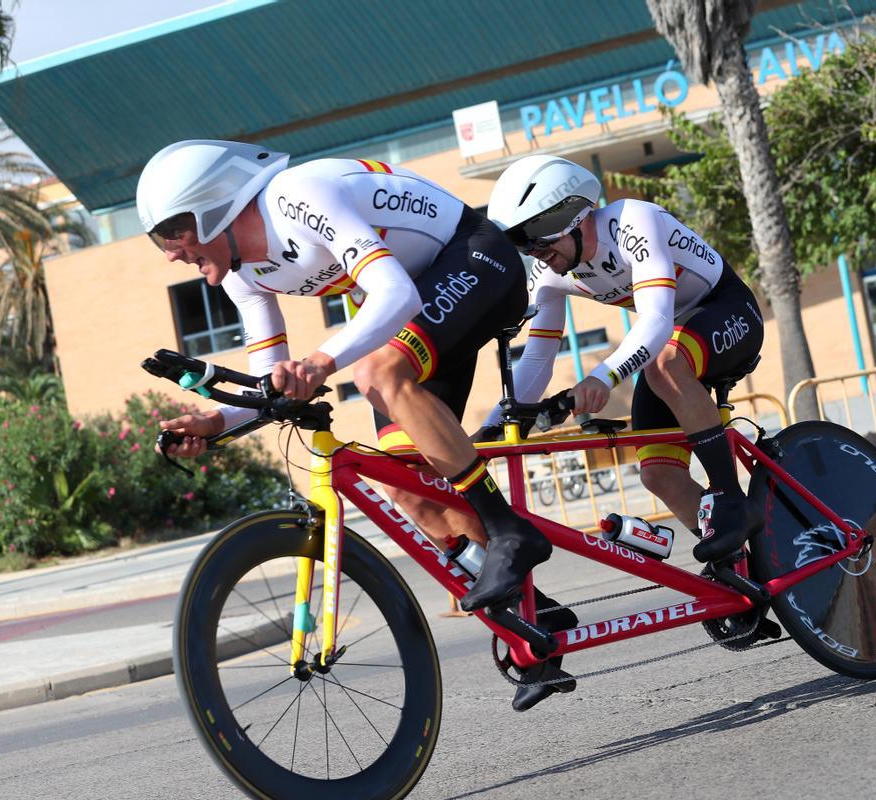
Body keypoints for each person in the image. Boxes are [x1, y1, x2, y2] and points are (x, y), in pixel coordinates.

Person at [137, 140, 560, 634]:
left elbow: (395, 292)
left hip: (475, 259)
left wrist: (321, 361)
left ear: (215, 205)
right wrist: (217, 422)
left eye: (174, 232)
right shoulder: (243, 275)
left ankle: (510, 530)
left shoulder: (298, 197)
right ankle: (535, 622)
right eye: (158, 239)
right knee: (409, 489)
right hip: (417, 313)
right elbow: (270, 387)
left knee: (377, 371)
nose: (170, 253)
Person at [482, 155, 766, 707]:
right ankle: (739, 563)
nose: (536, 252)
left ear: (573, 215)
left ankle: (732, 499)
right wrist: (498, 421)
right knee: (657, 473)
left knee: (662, 363)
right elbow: (538, 356)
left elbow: (656, 320)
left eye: (538, 236)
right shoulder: (551, 273)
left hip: (724, 314)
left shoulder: (632, 221)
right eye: (523, 242)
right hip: (670, 346)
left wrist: (603, 374)